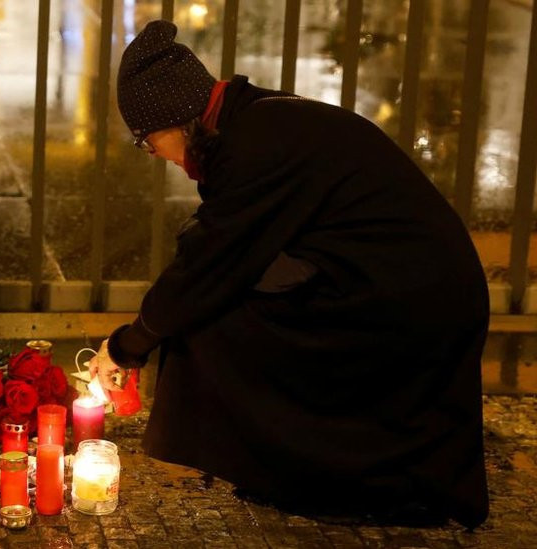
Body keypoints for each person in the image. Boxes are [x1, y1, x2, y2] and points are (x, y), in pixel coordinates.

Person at [88, 20, 488, 528]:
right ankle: (299, 471)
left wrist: (129, 344)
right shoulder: (252, 122)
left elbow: (211, 266)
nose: (153, 155)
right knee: (217, 311)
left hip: (411, 305)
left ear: (179, 120)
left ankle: (317, 477)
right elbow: (224, 253)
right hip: (396, 286)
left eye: (147, 142)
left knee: (211, 325)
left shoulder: (255, 144)